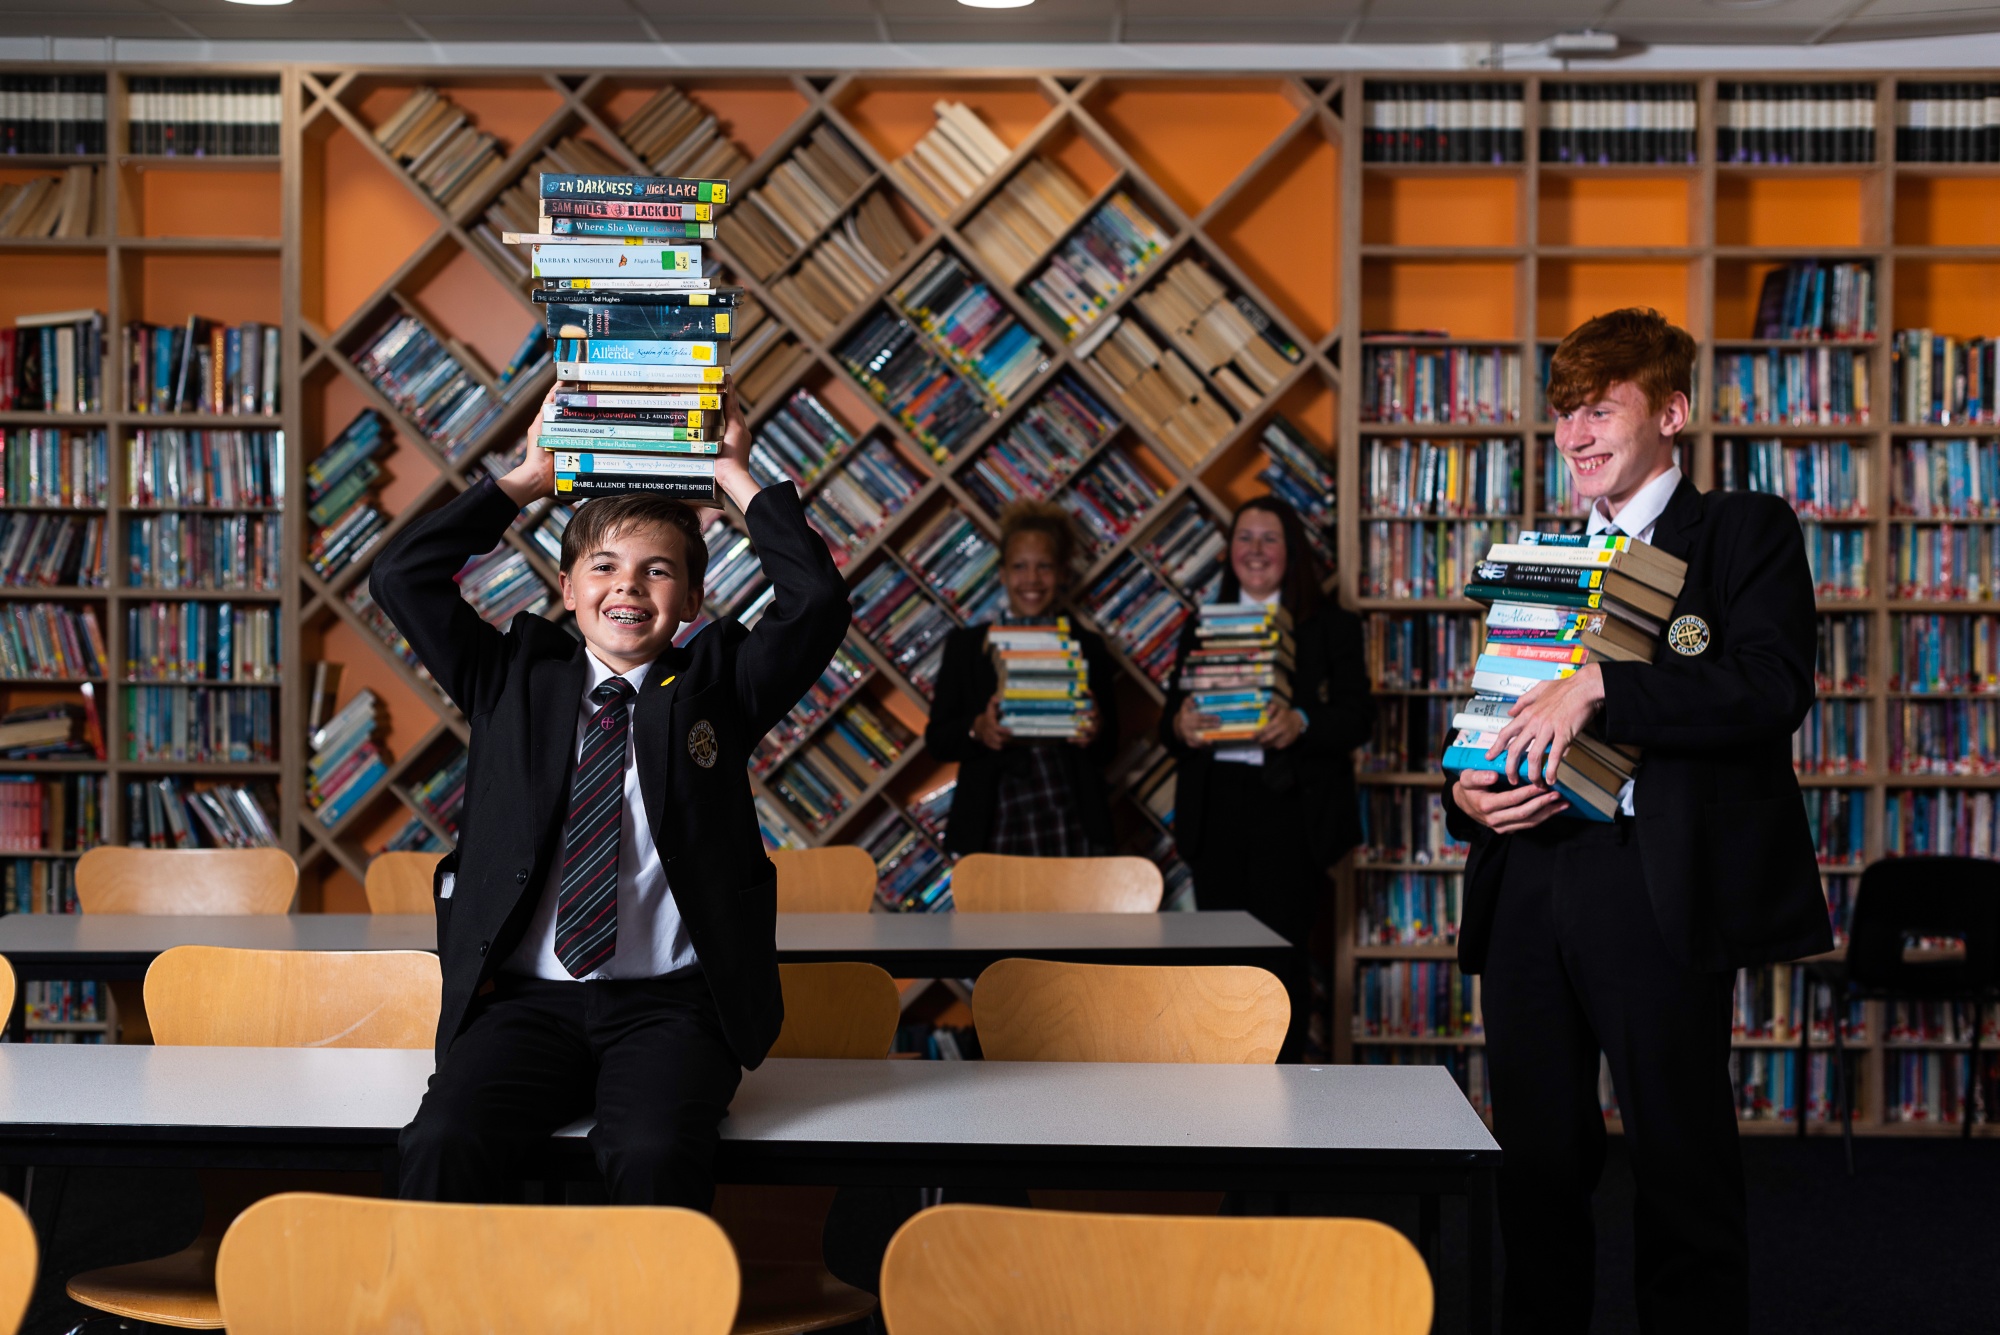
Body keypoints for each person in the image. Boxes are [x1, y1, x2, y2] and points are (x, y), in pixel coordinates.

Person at [1445, 308, 1829, 1334]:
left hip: (1651, 881)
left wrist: (1604, 688)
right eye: (1562, 412)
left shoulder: (1744, 532)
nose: (1573, 433)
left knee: (1676, 1156)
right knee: (1532, 1159)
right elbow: (1493, 722)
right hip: (1527, 877)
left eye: (1598, 409)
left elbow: (1768, 688)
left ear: (1669, 412)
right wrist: (1465, 794)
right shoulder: (1535, 554)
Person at [371, 390, 850, 1208]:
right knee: (445, 1139)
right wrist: (524, 481)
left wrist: (733, 474)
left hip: (671, 1009)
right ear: (565, 586)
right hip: (526, 1005)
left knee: (656, 1148)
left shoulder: (719, 685)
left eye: (657, 570)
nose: (628, 586)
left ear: (692, 601)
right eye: (604, 566)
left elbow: (818, 604)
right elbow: (400, 576)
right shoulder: (509, 678)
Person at [1160, 497, 1374, 1053]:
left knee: (1281, 960)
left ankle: (1286, 1093)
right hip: (1217, 811)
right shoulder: (1200, 624)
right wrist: (1181, 725)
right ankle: (1225, 1094)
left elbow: (1358, 717)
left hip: (1291, 813)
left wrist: (1301, 722)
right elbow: (1167, 724)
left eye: (1269, 539)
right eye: (1244, 538)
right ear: (1229, 552)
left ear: (1293, 552)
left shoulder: (1332, 628)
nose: (1255, 551)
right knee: (1219, 960)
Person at [923, 501, 1118, 857]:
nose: (1031, 579)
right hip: (994, 818)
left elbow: (1111, 746)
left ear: (1062, 573)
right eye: (1019, 567)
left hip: (1071, 814)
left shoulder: (1087, 647)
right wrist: (977, 728)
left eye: (1044, 567)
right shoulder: (966, 647)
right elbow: (938, 739)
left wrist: (1096, 728)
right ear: (1001, 573)